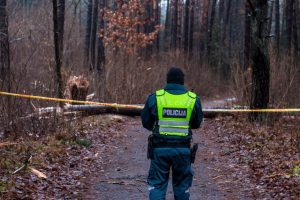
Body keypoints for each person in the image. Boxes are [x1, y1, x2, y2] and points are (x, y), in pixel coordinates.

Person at [141, 67, 203, 200]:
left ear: (167, 80)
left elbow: (146, 122)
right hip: (183, 150)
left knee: (157, 185)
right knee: (181, 186)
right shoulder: (192, 99)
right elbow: (197, 124)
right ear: (182, 81)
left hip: (159, 149)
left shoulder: (156, 97)